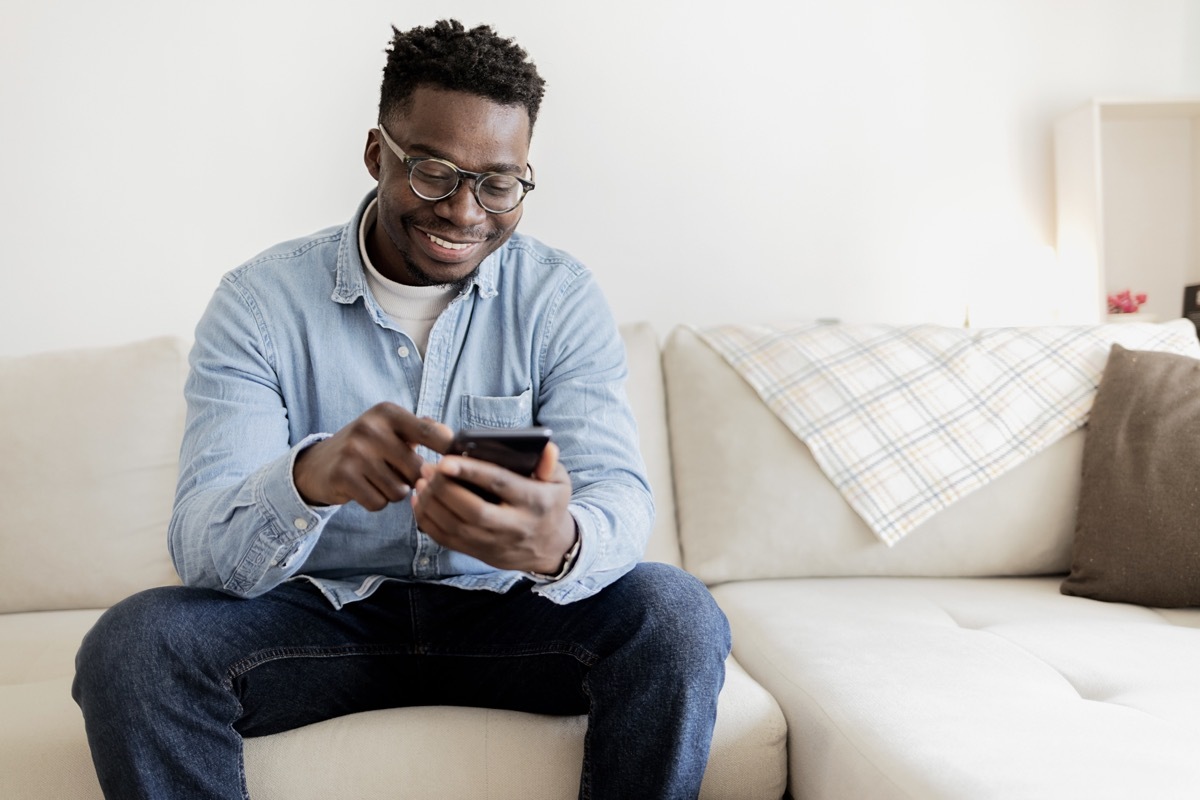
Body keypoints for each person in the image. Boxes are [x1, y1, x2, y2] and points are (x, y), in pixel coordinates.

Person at [72, 19, 731, 800]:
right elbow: (201, 549)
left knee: (679, 614)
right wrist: (309, 478)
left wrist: (561, 542)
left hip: (508, 616)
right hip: (316, 620)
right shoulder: (259, 303)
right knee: (134, 646)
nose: (463, 211)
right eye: (433, 172)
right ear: (378, 154)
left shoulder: (558, 297)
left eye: (498, 182)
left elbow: (618, 494)